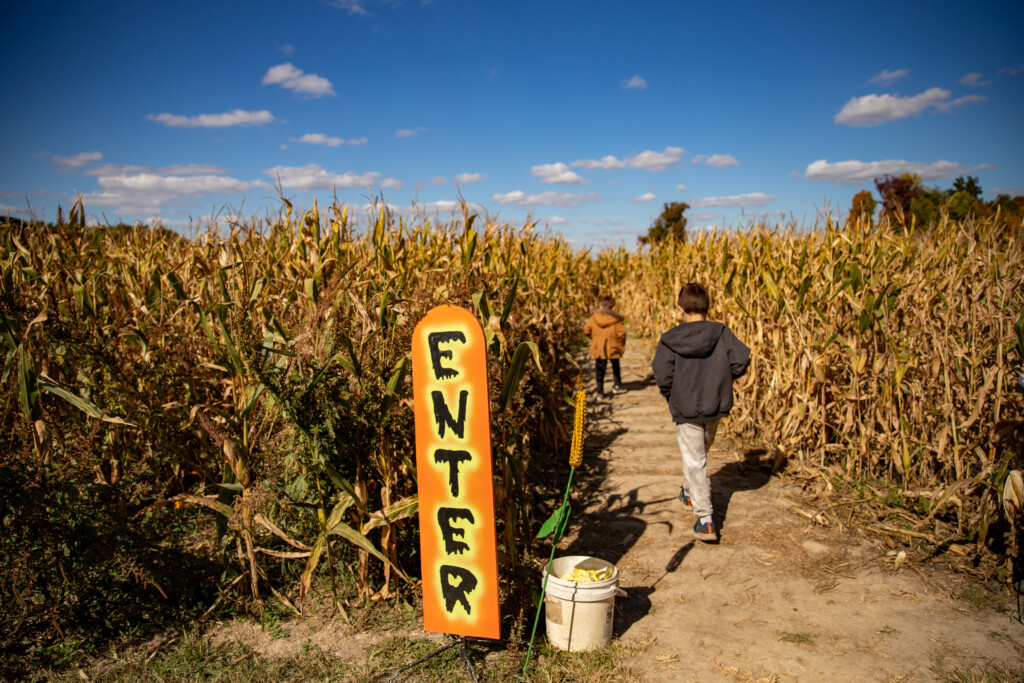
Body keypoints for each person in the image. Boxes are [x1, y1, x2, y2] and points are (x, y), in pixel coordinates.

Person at [651, 283, 750, 542]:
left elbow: (663, 374)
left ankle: (705, 519)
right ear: (709, 307)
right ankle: (688, 491)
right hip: (716, 404)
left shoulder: (670, 339)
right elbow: (741, 360)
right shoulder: (722, 333)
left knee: (696, 459)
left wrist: (672, 393)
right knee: (699, 454)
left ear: (680, 308)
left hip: (685, 407)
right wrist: (725, 378)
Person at [583, 296, 628, 397]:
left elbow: (586, 330)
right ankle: (617, 386)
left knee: (600, 369)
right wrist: (620, 344)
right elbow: (622, 333)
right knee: (615, 367)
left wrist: (594, 338)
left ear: (600, 306)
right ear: (613, 308)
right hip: (613, 348)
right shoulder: (616, 319)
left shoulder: (594, 318)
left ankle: (600, 391)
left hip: (598, 348)